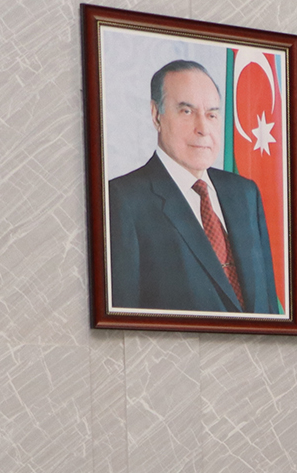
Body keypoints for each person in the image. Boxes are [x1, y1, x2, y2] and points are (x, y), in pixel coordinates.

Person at [106, 59, 282, 315]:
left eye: (212, 114)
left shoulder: (245, 194)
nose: (203, 129)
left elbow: (268, 307)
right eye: (187, 112)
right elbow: (123, 320)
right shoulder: (122, 199)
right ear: (156, 115)